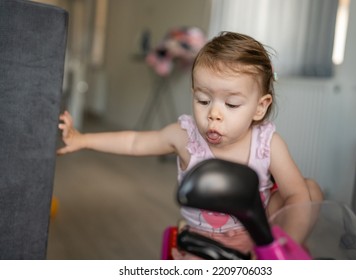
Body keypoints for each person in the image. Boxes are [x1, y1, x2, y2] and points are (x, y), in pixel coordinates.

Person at [58, 31, 323, 259]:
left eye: (231, 105)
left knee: (309, 189)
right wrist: (83, 139)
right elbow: (135, 141)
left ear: (259, 107)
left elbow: (297, 196)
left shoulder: (267, 143)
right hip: (204, 240)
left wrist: (277, 248)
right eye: (203, 100)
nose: (213, 114)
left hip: (257, 234)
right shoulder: (186, 137)